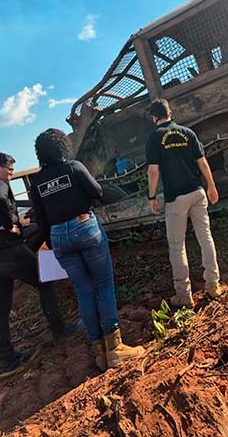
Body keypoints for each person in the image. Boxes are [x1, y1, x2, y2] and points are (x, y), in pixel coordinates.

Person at [29, 129, 145, 371]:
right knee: (104, 285)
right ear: (62, 146)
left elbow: (40, 217)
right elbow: (98, 192)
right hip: (84, 227)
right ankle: (115, 348)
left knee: (83, 291)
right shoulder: (73, 167)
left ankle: (99, 352)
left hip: (59, 235)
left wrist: (52, 241)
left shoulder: (37, 182)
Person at [0, 152, 77, 372]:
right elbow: (1, 198)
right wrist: (11, 224)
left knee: (0, 309)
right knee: (45, 281)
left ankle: (7, 358)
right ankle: (59, 330)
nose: (11, 176)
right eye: (9, 171)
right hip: (9, 251)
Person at [146, 99, 222, 308]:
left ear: (154, 117)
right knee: (205, 237)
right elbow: (202, 162)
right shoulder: (188, 133)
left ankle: (184, 296)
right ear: (170, 113)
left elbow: (153, 171)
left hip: (176, 198)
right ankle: (213, 285)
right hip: (197, 192)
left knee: (177, 246)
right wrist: (211, 186)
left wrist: (151, 197)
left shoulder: (154, 137)